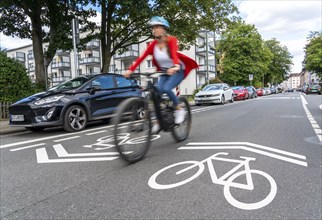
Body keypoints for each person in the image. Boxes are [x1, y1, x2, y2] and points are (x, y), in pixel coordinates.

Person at [124, 16, 198, 133]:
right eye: (153, 27)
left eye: (157, 27)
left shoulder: (171, 40)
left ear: (163, 29)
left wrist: (175, 66)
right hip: (164, 72)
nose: (154, 29)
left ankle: (179, 109)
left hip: (177, 71)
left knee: (167, 88)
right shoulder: (152, 45)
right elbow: (141, 58)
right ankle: (158, 121)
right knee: (156, 92)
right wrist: (130, 69)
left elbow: (174, 54)